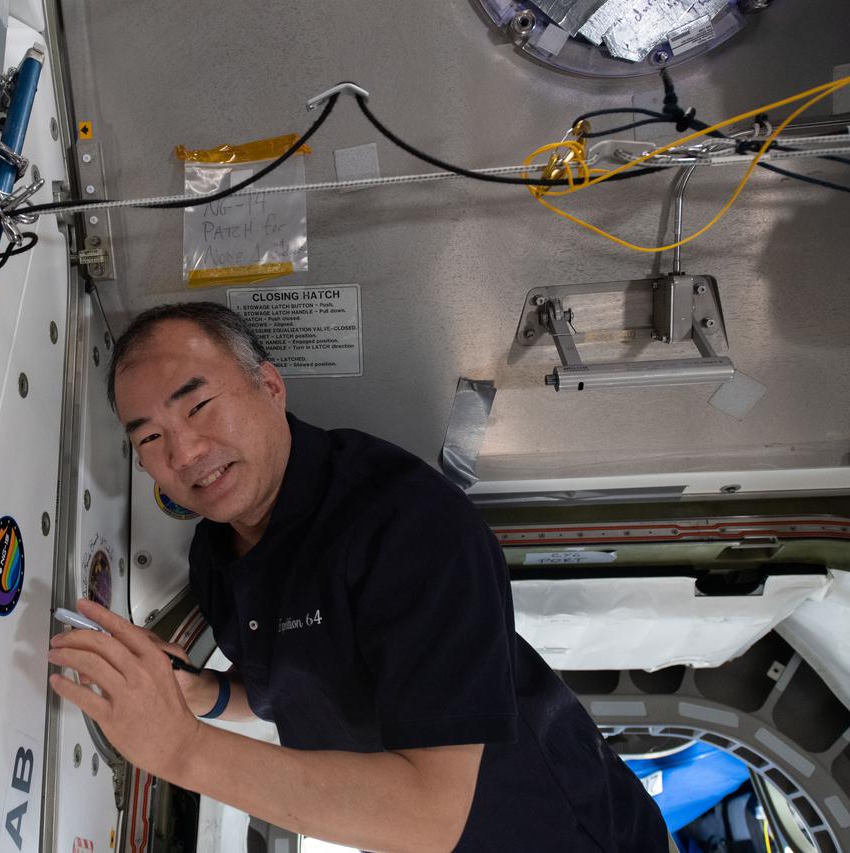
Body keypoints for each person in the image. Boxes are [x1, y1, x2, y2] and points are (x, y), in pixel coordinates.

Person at [48, 302, 671, 852]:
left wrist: (178, 747)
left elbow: (428, 815)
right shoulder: (217, 552)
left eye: (200, 406)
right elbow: (282, 688)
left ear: (268, 385)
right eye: (151, 438)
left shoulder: (407, 524)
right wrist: (193, 693)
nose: (183, 454)